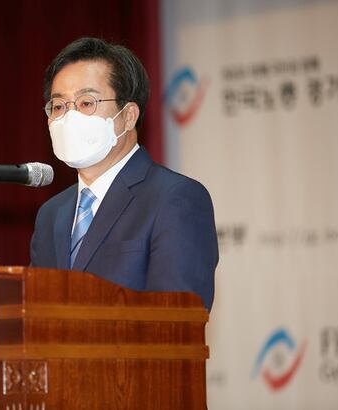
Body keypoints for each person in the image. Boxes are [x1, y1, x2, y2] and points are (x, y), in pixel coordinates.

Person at [30, 37, 218, 310]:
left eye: (86, 103)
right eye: (58, 106)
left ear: (128, 116)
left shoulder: (174, 198)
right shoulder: (51, 213)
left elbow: (177, 323)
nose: (69, 118)